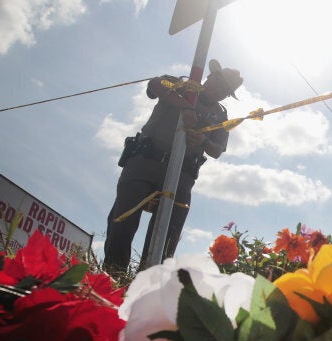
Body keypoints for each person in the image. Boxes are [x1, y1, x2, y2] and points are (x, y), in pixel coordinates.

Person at [103, 59, 243, 278]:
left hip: (182, 175)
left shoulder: (220, 115)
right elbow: (155, 85)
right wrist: (185, 105)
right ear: (209, 77)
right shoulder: (180, 85)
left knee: (169, 234)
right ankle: (113, 276)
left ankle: (149, 281)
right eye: (218, 83)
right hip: (146, 161)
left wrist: (203, 140)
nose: (219, 91)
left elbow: (217, 150)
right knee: (123, 220)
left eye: (226, 90)